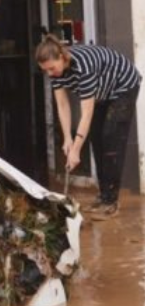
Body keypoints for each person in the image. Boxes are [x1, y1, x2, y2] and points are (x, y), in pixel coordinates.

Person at [36, 35, 141, 221]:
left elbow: (86, 111)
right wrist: (68, 138)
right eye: (46, 71)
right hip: (102, 91)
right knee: (96, 138)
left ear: (62, 56)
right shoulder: (56, 73)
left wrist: (76, 150)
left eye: (52, 68)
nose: (50, 73)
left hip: (123, 86)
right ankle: (103, 196)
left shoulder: (82, 67)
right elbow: (62, 105)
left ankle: (111, 201)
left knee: (111, 138)